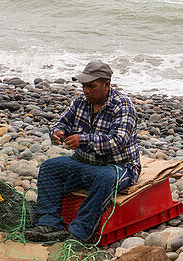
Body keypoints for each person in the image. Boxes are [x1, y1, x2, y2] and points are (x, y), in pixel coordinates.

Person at [25, 60, 140, 244]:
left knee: (105, 179)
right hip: (84, 162)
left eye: (91, 86)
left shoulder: (123, 106)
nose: (86, 90)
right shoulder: (80, 101)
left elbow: (118, 141)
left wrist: (83, 140)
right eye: (84, 86)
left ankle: (79, 233)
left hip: (118, 166)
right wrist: (57, 132)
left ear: (106, 85)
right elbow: (61, 122)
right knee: (49, 168)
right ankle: (48, 224)